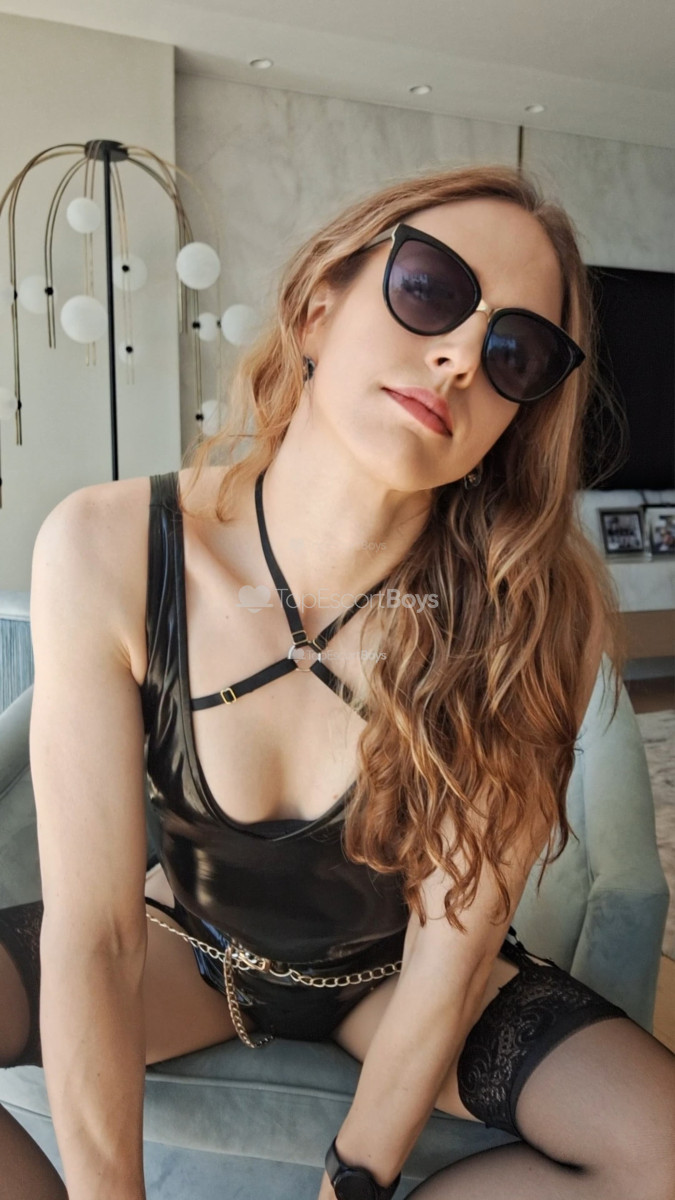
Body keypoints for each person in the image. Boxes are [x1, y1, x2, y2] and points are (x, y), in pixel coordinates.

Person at [1, 163, 673, 1200]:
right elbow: (95, 937)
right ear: (321, 303)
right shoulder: (110, 545)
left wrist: (352, 1184)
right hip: (186, 948)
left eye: (516, 353)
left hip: (392, 980)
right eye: (429, 290)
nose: (460, 357)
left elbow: (451, 953)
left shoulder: (529, 613)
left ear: (519, 413)